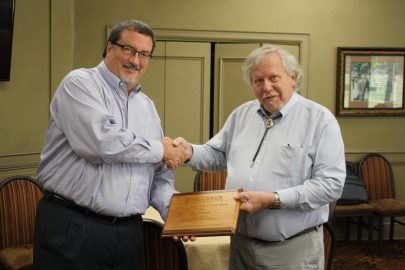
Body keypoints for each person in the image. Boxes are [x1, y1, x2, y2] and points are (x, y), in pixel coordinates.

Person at [173, 45, 346, 269]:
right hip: (241, 247)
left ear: (292, 78)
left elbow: (330, 185)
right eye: (258, 80)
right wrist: (188, 152)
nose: (266, 87)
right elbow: (218, 154)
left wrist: (272, 199)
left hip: (292, 250)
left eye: (274, 77)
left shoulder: (320, 120)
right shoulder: (241, 114)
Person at [33, 19, 186, 270]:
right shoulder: (80, 83)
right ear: (109, 48)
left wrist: (174, 213)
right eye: (128, 49)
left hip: (129, 233)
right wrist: (161, 149)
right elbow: (101, 143)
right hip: (74, 226)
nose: (135, 60)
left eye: (144, 54)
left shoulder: (147, 107)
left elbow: (158, 173)